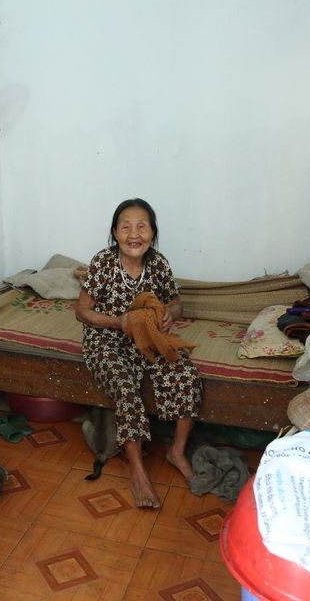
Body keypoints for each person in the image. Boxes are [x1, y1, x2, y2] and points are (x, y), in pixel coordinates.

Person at [74, 198, 202, 508]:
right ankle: (138, 473)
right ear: (115, 233)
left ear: (152, 233)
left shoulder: (158, 264)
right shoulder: (103, 264)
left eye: (142, 227)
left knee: (184, 371)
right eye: (126, 227)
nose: (134, 234)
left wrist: (171, 313)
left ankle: (177, 451)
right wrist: (119, 322)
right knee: (126, 387)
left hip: (147, 338)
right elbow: (81, 311)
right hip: (106, 339)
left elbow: (176, 302)